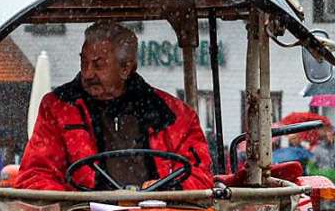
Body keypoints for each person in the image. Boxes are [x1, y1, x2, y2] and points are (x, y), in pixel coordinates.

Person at [16, 21, 214, 191]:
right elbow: (34, 176)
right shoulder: (57, 108)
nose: (87, 73)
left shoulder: (175, 116)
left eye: (98, 65)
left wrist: (165, 191)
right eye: (84, 62)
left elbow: (200, 177)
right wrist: (75, 208)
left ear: (126, 68)